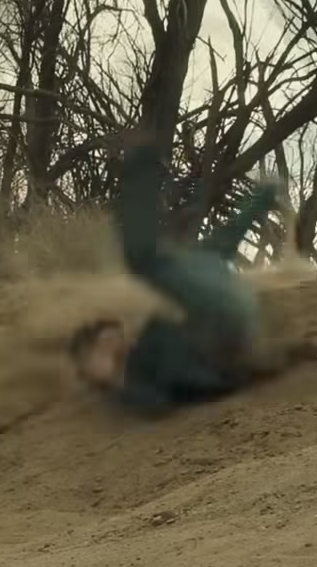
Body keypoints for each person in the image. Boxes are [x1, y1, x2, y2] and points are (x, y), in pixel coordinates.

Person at [68, 122, 283, 413]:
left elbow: (159, 394)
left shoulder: (144, 359)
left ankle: (143, 160)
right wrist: (263, 197)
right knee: (149, 261)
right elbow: (233, 231)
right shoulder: (149, 354)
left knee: (149, 260)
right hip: (235, 318)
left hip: (225, 318)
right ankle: (143, 159)